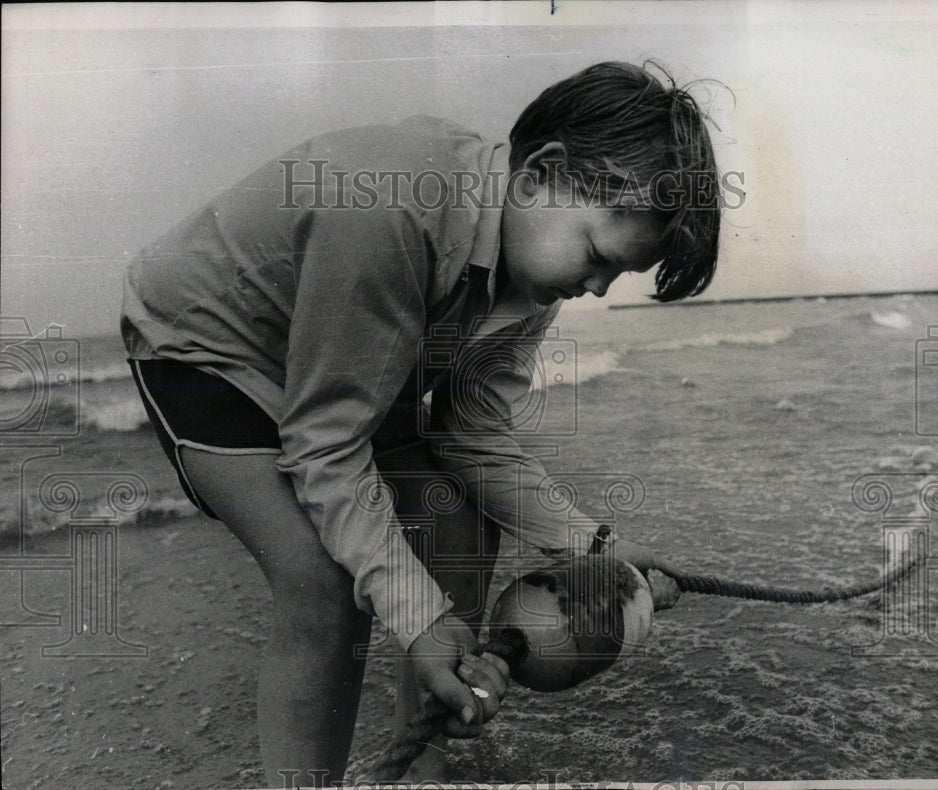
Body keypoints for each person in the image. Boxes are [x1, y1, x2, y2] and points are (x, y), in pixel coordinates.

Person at [120, 60, 719, 786]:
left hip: (344, 357)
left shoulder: (532, 261)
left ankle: (422, 760)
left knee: (459, 529)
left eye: (614, 275)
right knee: (323, 580)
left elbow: (471, 436)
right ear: (543, 171)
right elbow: (328, 444)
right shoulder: (390, 210)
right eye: (598, 256)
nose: (594, 288)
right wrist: (421, 617)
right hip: (209, 345)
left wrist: (599, 543)